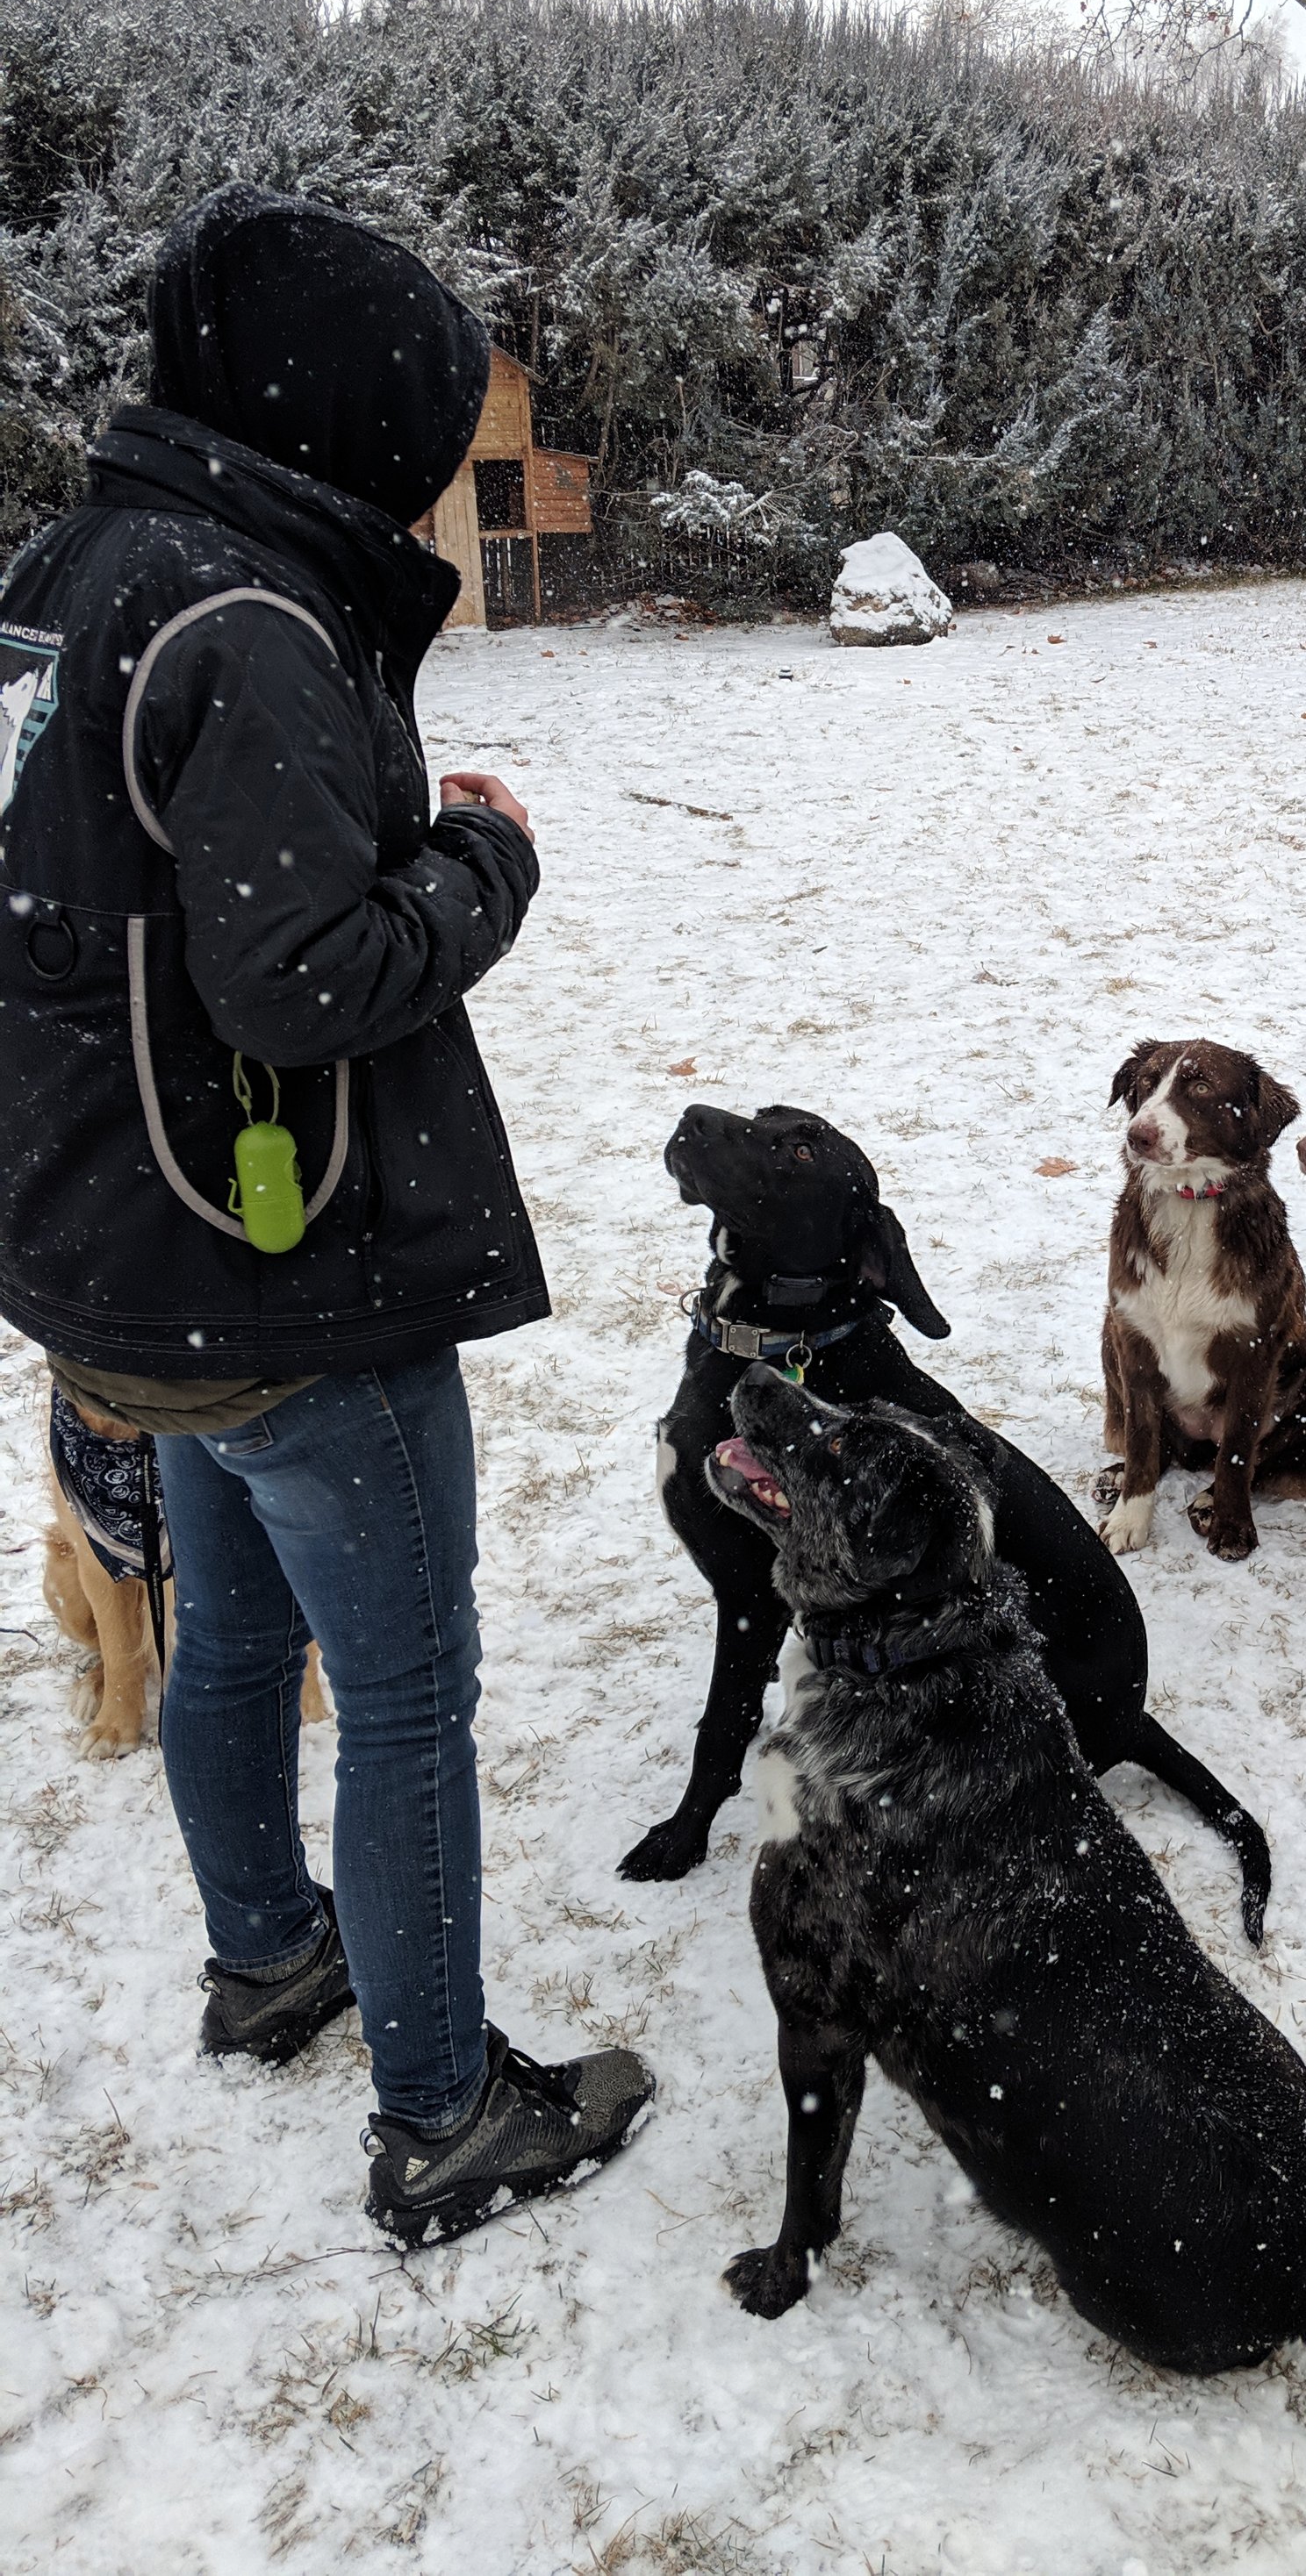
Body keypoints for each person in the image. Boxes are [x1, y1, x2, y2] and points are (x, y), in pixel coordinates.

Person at [0, 182, 653, 2247]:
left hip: (115, 1253)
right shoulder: (251, 621)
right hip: (280, 1273)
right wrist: (484, 861)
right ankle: (446, 2109)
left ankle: (269, 1953)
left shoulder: (73, 568)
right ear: (354, 417)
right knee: (403, 1689)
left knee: (228, 1628)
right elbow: (306, 977)